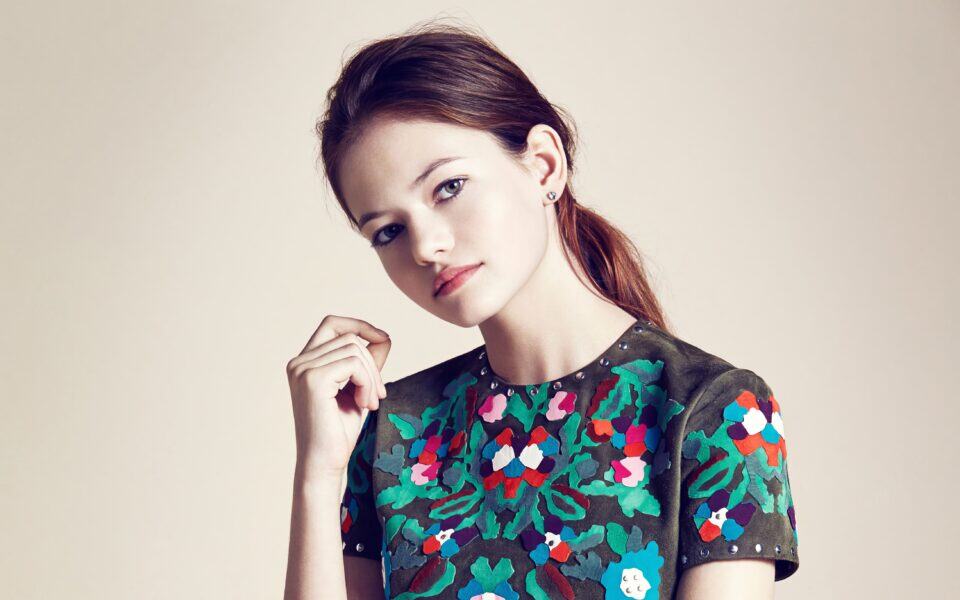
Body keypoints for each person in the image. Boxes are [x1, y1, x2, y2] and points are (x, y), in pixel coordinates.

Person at [284, 20, 798, 600]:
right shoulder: (392, 433)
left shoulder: (715, 412)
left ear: (544, 164)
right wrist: (318, 474)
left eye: (448, 187)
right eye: (388, 231)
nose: (425, 246)